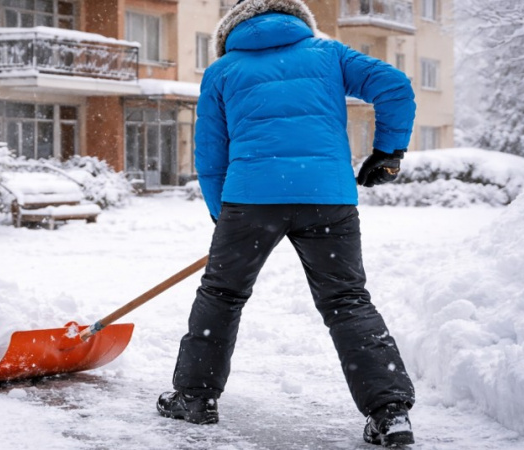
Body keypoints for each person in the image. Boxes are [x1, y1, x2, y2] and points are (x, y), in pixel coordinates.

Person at [155, 0, 416, 447]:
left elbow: (210, 154)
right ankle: (390, 412)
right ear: (297, 20)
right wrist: (388, 151)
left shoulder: (222, 70)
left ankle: (195, 398)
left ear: (232, 29)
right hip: (326, 197)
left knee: (221, 295)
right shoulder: (328, 54)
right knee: (347, 300)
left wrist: (223, 215)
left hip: (250, 199)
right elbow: (393, 84)